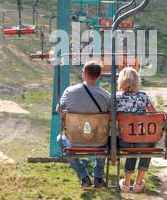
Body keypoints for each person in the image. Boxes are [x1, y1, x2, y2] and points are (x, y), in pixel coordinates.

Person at [57, 60, 112, 188]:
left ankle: (83, 177)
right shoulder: (106, 96)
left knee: (60, 139)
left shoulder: (69, 92)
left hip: (75, 141)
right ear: (99, 76)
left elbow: (59, 110)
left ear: (84, 73)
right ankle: (98, 177)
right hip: (99, 143)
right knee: (104, 136)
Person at [115, 66, 156, 192]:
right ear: (137, 81)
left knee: (131, 144)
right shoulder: (143, 96)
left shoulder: (116, 97)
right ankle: (138, 183)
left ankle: (126, 184)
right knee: (148, 144)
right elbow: (153, 114)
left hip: (123, 140)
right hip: (142, 139)